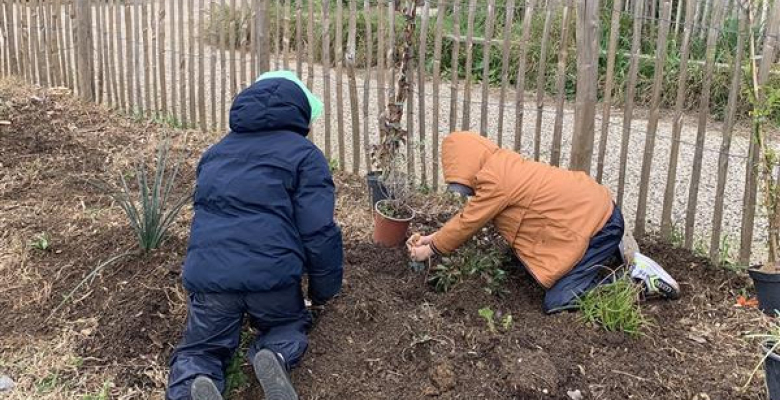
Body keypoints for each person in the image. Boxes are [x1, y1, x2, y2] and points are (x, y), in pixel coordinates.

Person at [167, 71, 343, 400]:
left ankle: (194, 384)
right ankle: (274, 355)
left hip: (211, 277)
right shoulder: (305, 156)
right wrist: (323, 292)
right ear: (299, 114)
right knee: (286, 326)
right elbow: (318, 231)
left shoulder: (214, 154)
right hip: (272, 278)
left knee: (199, 350)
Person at [407, 132, 678, 314]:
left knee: (558, 301)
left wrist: (430, 250)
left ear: (464, 164)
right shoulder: (501, 167)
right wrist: (435, 238)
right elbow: (472, 217)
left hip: (596, 225)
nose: (465, 192)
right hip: (595, 212)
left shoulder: (496, 181)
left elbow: (469, 222)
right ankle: (610, 249)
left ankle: (637, 280)